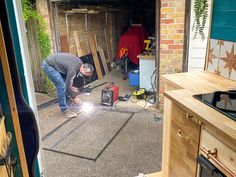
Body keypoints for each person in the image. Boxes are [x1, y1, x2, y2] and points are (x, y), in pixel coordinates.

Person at [41, 53, 94, 118]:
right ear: (84, 69)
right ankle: (64, 110)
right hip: (49, 66)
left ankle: (67, 99)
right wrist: (74, 97)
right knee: (62, 86)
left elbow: (69, 81)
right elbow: (67, 84)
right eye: (85, 74)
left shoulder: (80, 63)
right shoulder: (73, 69)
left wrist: (71, 87)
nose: (84, 75)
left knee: (67, 84)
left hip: (56, 65)